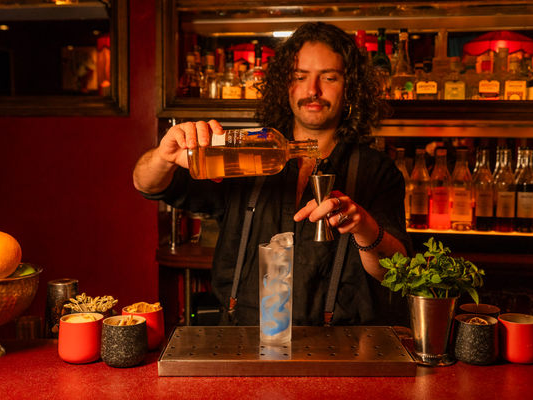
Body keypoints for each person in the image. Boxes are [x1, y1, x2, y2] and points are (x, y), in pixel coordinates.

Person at [133, 22, 410, 326]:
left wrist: (363, 226)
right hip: (243, 339)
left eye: (329, 77)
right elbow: (147, 184)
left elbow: (394, 272)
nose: (312, 90)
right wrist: (164, 156)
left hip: (340, 345)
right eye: (299, 77)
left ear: (350, 87)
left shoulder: (377, 170)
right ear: (284, 86)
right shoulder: (248, 153)